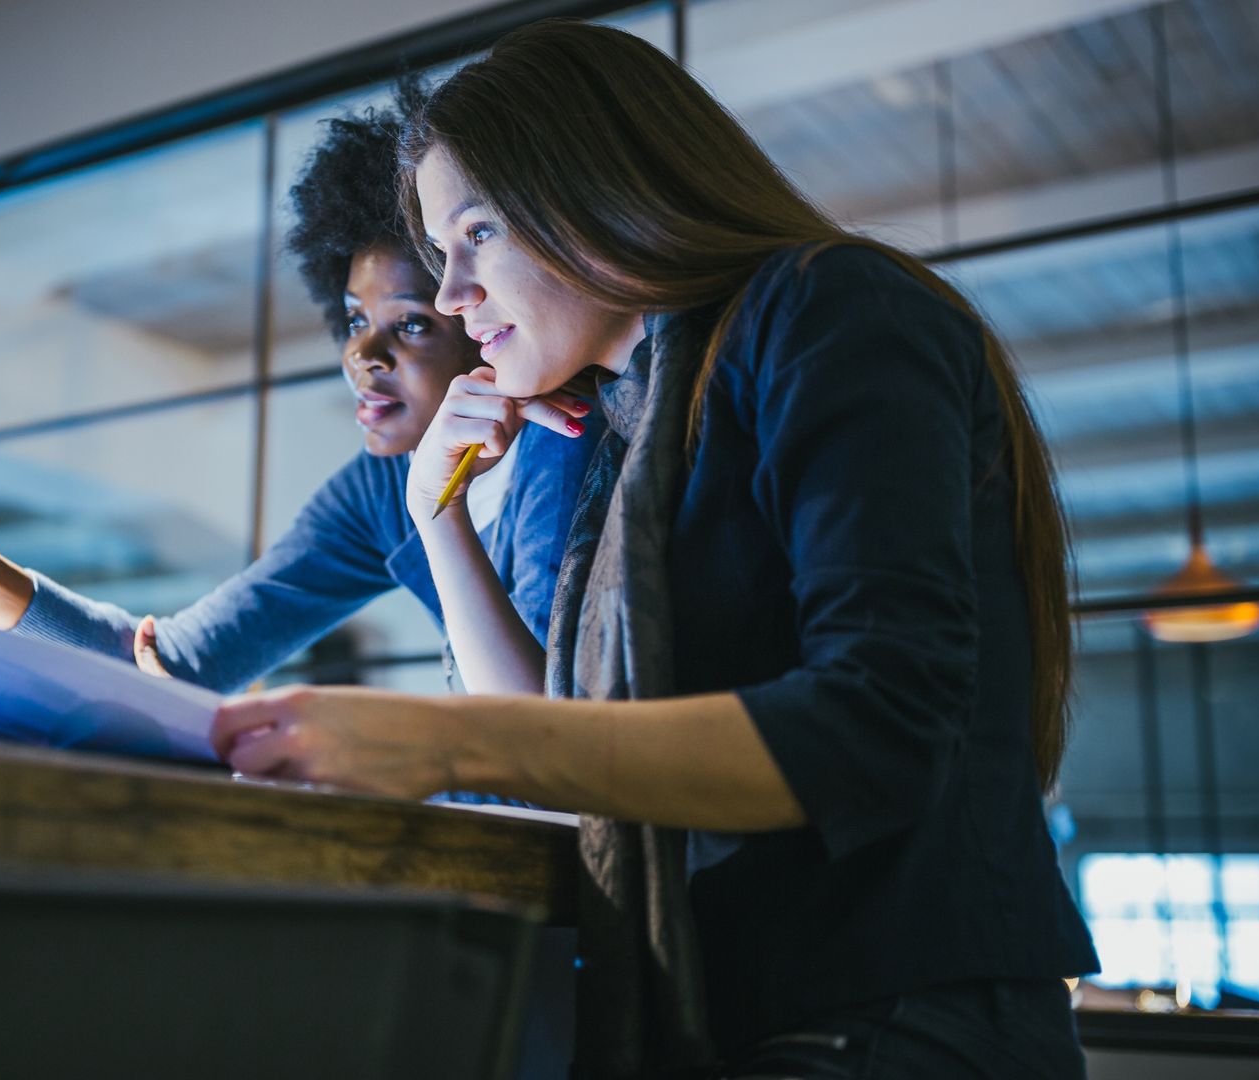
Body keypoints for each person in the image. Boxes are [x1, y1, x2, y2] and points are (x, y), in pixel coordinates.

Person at [207, 21, 1099, 1078]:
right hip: (755, 1012)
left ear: (593, 186)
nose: (451, 296)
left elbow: (881, 723)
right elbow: (558, 762)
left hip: (893, 1014)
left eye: (478, 234)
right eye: (443, 256)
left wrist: (448, 746)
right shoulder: (626, 423)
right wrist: (434, 510)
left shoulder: (827, 306)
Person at [0, 92, 596, 700]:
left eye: (412, 325)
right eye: (354, 320)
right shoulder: (383, 490)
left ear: (477, 313)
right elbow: (176, 667)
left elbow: (545, 732)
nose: (363, 355)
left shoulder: (568, 444)